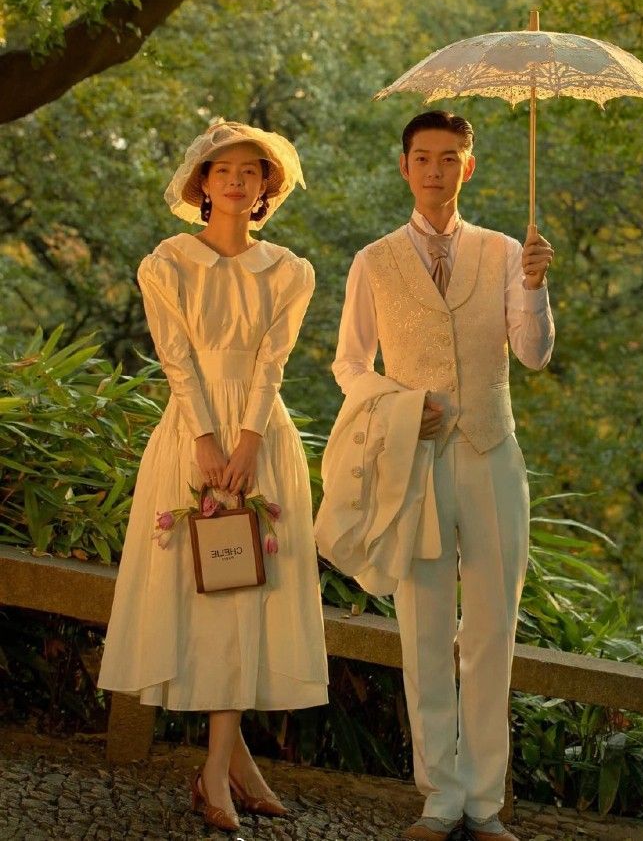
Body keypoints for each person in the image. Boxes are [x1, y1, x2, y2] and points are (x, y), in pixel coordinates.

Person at [329, 110, 555, 841]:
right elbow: (349, 365)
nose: (435, 169)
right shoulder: (373, 260)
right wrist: (399, 405)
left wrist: (534, 286)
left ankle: (486, 801)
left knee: (492, 626)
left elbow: (533, 355)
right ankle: (441, 796)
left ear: (470, 165)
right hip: (414, 460)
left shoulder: (502, 251)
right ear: (404, 167)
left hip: (493, 454)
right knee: (423, 626)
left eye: (449, 157)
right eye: (423, 157)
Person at [98, 120, 328, 835]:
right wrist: (204, 440)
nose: (235, 180)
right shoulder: (165, 263)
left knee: (248, 594)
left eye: (249, 171)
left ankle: (220, 766)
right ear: (202, 182)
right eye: (221, 169)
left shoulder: (290, 270)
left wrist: (251, 438)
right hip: (189, 439)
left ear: (266, 187)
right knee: (208, 592)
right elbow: (176, 358)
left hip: (261, 440)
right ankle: (231, 765)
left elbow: (272, 362)